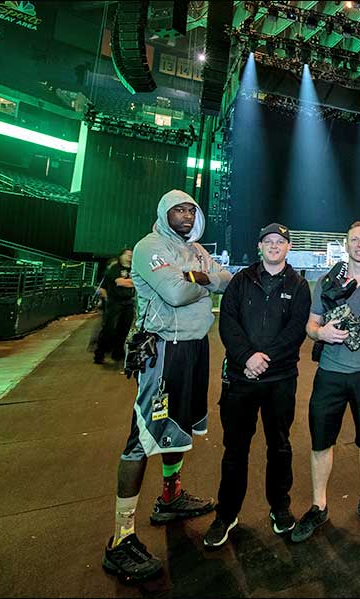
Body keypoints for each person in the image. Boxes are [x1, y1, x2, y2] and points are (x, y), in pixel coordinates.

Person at [102, 189, 231, 583]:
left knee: (179, 427)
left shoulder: (195, 251)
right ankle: (120, 538)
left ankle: (170, 497)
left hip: (194, 350)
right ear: (164, 213)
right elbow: (175, 293)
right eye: (178, 209)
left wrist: (199, 277)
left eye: (191, 209)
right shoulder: (149, 246)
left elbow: (225, 280)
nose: (187, 215)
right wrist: (205, 281)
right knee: (141, 438)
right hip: (162, 351)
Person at [203, 223, 312, 548]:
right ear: (260, 246)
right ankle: (227, 514)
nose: (274, 246)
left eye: (280, 241)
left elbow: (295, 331)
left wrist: (264, 360)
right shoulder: (241, 281)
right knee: (235, 449)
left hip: (279, 380)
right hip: (240, 378)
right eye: (269, 241)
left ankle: (280, 508)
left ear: (288, 247)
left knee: (279, 446)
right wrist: (248, 357)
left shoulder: (299, 285)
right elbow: (228, 322)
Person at [291, 221, 360, 542]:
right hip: (330, 374)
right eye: (355, 240)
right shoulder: (325, 282)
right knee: (321, 442)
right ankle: (319, 505)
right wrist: (321, 332)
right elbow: (311, 325)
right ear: (346, 243)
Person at [94, 248, 135, 365]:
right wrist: (134, 282)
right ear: (121, 256)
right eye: (127, 254)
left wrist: (131, 282)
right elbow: (121, 282)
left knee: (124, 329)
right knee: (109, 328)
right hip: (115, 302)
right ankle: (99, 353)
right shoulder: (115, 268)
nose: (129, 257)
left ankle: (117, 353)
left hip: (128, 302)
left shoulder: (134, 268)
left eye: (131, 255)